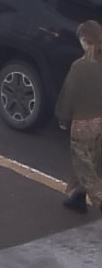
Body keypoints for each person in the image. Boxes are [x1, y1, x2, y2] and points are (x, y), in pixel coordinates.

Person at [56, 20, 102, 214]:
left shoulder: (79, 67)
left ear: (84, 40)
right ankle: (75, 196)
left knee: (84, 165)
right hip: (100, 121)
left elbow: (68, 94)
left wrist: (62, 116)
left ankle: (98, 198)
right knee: (93, 160)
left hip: (82, 124)